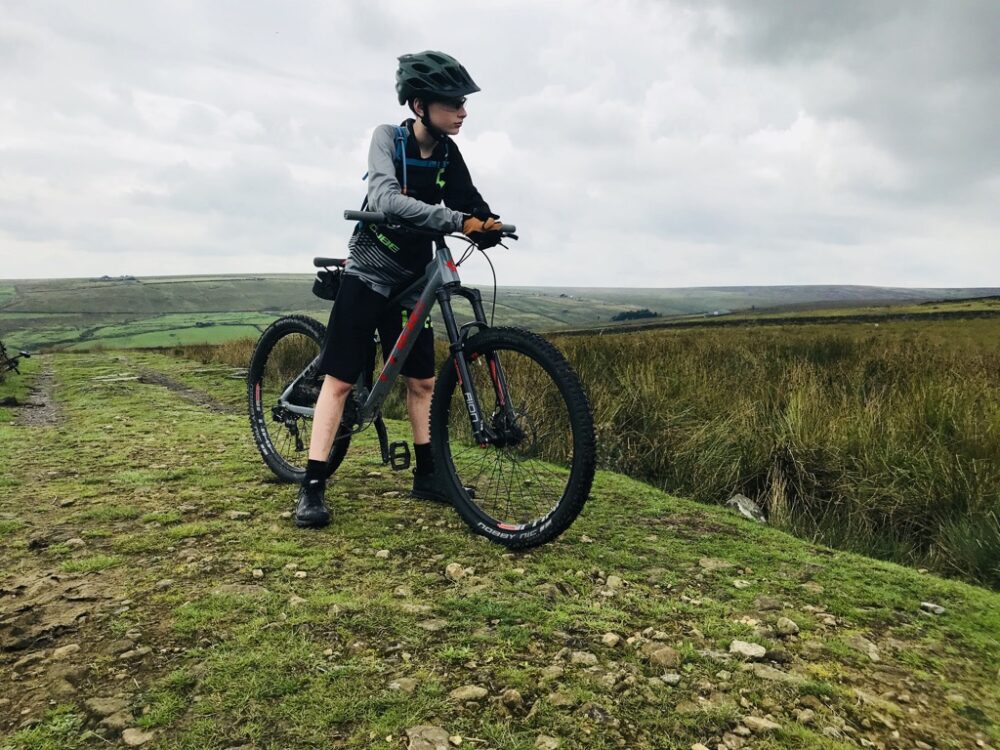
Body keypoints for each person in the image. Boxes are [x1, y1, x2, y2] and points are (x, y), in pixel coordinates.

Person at [294, 50, 504, 528]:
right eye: (453, 103)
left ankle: (428, 475)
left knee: (423, 381)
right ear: (418, 105)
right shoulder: (387, 138)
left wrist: (488, 223)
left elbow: (467, 199)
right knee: (342, 381)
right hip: (370, 268)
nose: (463, 112)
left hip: (413, 277)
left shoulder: (449, 153)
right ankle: (311, 484)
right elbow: (385, 198)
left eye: (463, 103)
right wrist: (456, 220)